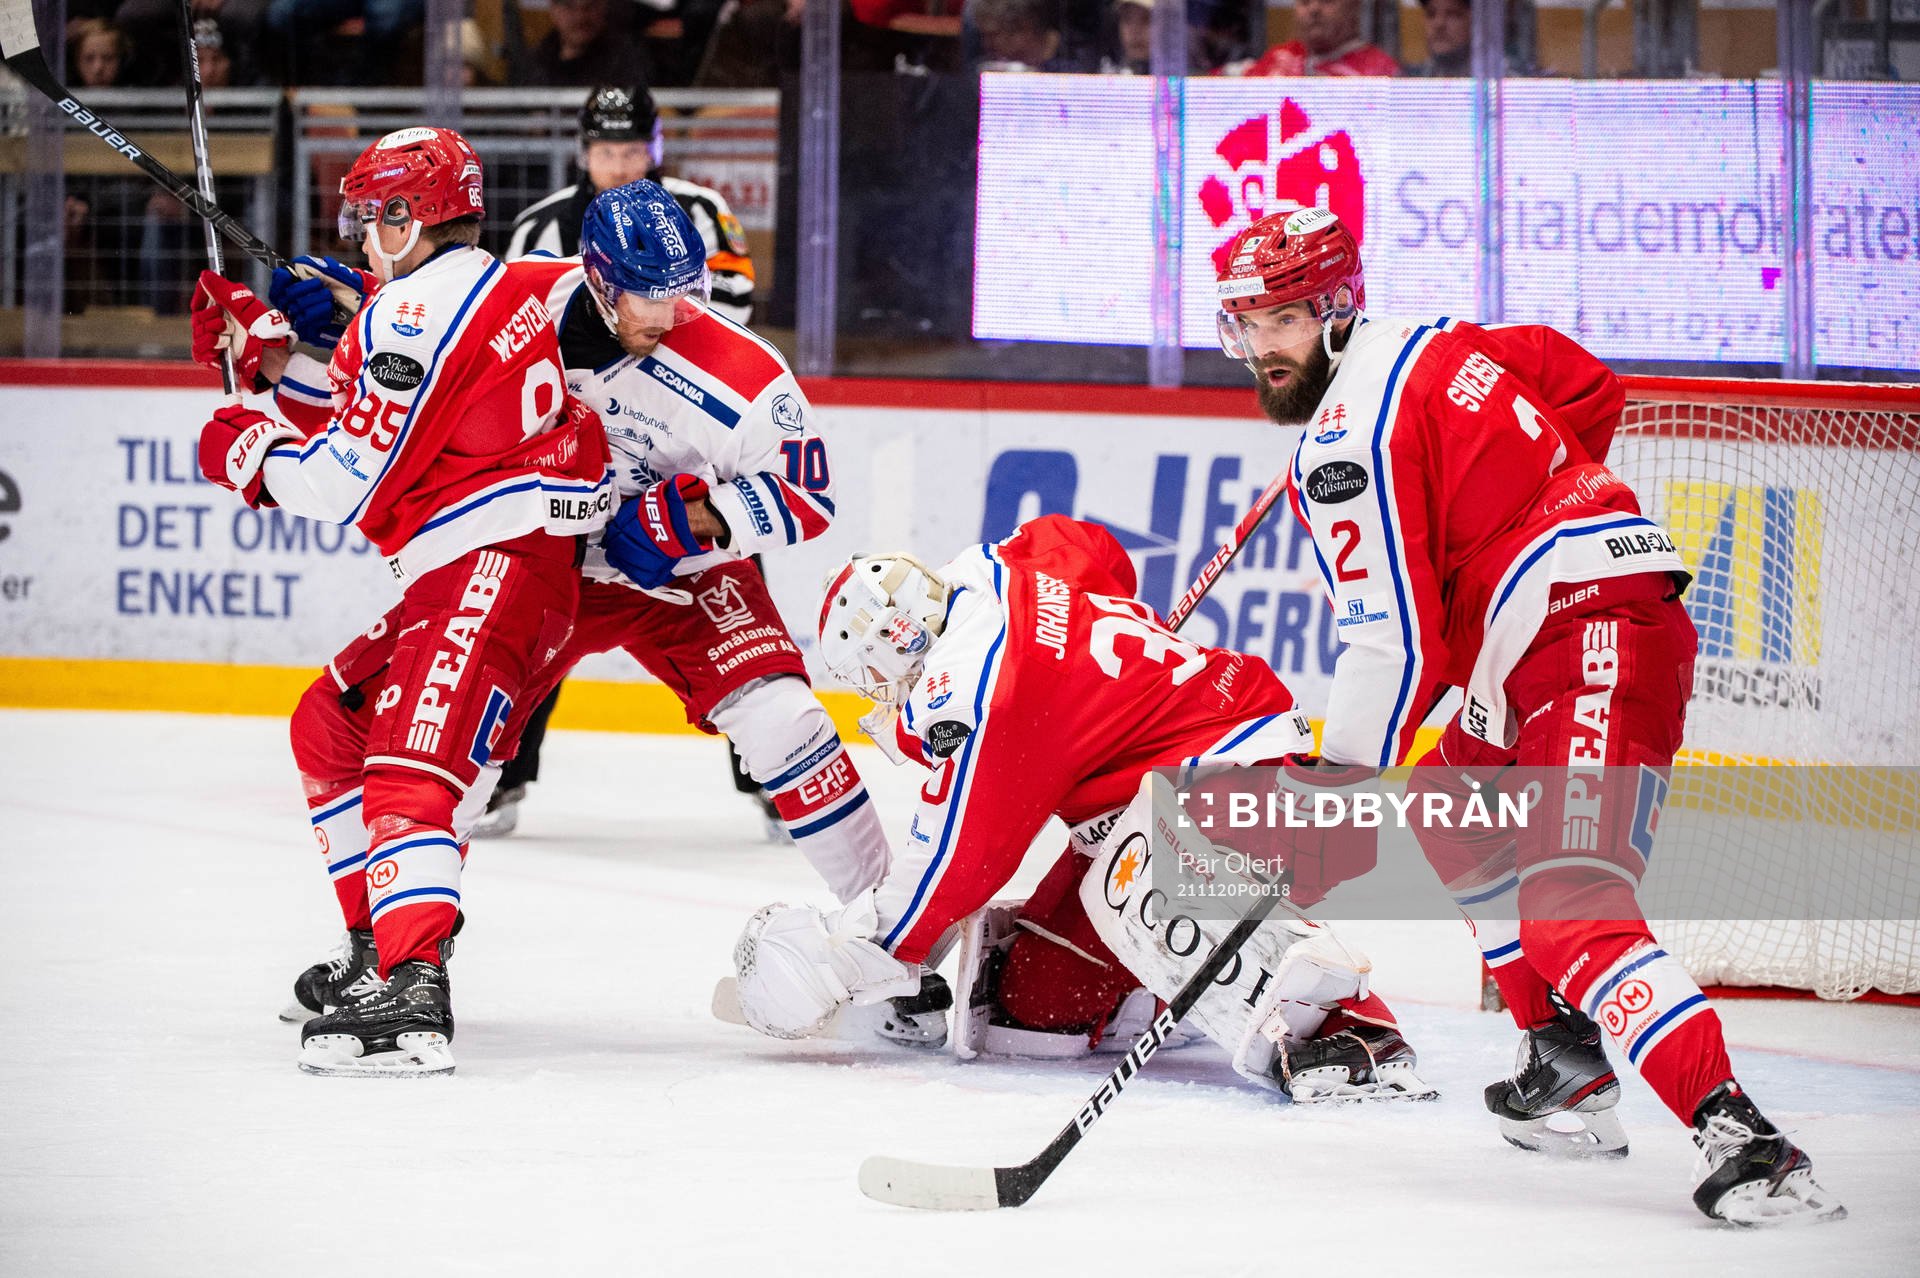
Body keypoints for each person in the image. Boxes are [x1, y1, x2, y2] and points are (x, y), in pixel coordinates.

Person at [1211, 206, 1846, 1224]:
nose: (1258, 349)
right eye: (1242, 325)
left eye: (1279, 321)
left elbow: (1394, 644)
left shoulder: (1340, 445)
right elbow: (1588, 384)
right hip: (1543, 645)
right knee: (1446, 795)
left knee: (1567, 906)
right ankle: (1561, 1051)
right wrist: (1522, 509)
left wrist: (1330, 790)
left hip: (1593, 638)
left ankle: (1745, 1138)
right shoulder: (1447, 345)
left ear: (1336, 310)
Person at [268, 179, 891, 1013]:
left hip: (680, 573)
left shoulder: (744, 374)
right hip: (540, 562)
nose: (669, 315)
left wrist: (692, 518)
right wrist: (350, 312)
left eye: (683, 292)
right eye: (647, 295)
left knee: (785, 721)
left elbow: (807, 496)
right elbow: (425, 341)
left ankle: (895, 936)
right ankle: (399, 961)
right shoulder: (522, 296)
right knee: (443, 750)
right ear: (597, 276)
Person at [726, 515, 1438, 1103]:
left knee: (1135, 874)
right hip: (1151, 809)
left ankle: (1352, 1027)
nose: (886, 692)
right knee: (1035, 1012)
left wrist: (847, 958)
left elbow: (953, 862)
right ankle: (1167, 992)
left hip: (1247, 789)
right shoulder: (998, 570)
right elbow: (1092, 547)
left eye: (879, 675)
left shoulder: (977, 695)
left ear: (898, 640)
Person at [190, 126, 614, 1076]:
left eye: (369, 216)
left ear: (405, 216)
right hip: (511, 568)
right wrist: (278, 361)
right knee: (330, 723)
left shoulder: (408, 316)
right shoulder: (493, 284)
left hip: (487, 562)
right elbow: (411, 424)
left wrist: (245, 449)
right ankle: (377, 947)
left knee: (408, 765)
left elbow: (348, 477)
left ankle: (413, 992)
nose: (355, 235)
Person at [494, 85, 761, 838]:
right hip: (567, 459)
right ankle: (504, 776)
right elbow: (500, 331)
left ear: (657, 147)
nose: (619, 164)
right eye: (606, 150)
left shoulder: (701, 213)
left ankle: (771, 771)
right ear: (583, 148)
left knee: (732, 582)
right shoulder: (539, 224)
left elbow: (729, 315)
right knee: (536, 608)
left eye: (633, 150)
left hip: (682, 452)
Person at [1238, 0, 1398, 77]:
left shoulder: (1379, 70)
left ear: (1353, 6)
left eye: (1327, 1)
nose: (1314, 9)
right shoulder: (1278, 57)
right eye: (1305, 2)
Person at [526, 0, 653, 86]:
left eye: (590, 6)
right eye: (569, 6)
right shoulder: (534, 62)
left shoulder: (627, 60)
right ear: (553, 9)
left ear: (603, 6)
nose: (580, 16)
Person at [1404, 0, 1468, 76]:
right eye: (1431, 14)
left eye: (1452, 14)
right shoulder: (1410, 79)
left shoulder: (1484, 78)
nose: (1439, 23)